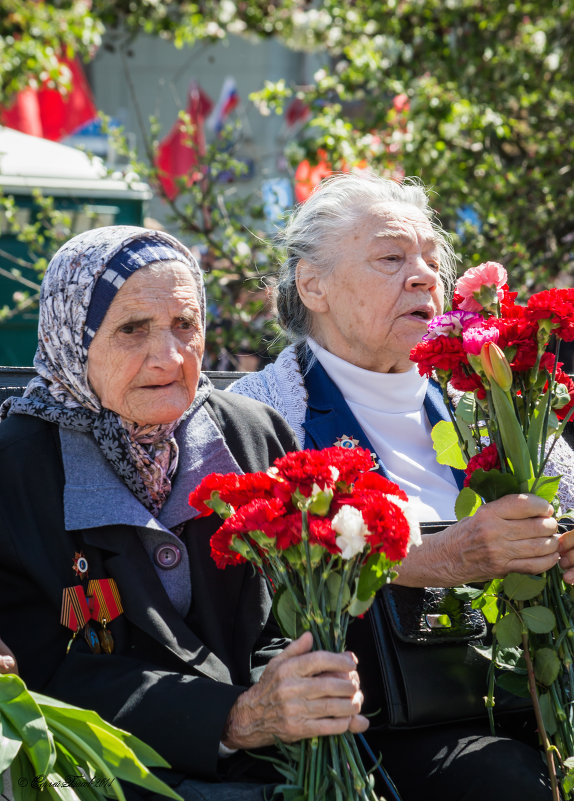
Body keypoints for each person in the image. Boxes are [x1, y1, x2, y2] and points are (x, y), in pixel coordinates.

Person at [229, 171, 574, 800]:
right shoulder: (260, 413)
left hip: (534, 700)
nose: (423, 277)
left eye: (432, 262)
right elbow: (253, 581)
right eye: (391, 258)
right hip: (372, 731)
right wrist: (437, 558)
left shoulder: (495, 399)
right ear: (313, 284)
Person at [0, 226, 368, 801]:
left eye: (185, 325)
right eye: (132, 329)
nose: (169, 357)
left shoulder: (250, 434)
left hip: (280, 762)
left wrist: (297, 690)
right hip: (110, 776)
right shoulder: (17, 469)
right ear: (75, 338)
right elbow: (43, 677)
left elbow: (288, 615)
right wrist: (234, 717)